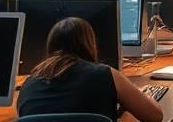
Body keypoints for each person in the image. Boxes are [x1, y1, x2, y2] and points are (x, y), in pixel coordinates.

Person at [16, 17, 163, 122]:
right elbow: (154, 116)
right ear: (89, 44)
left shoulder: (28, 84)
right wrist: (147, 96)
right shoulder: (105, 74)